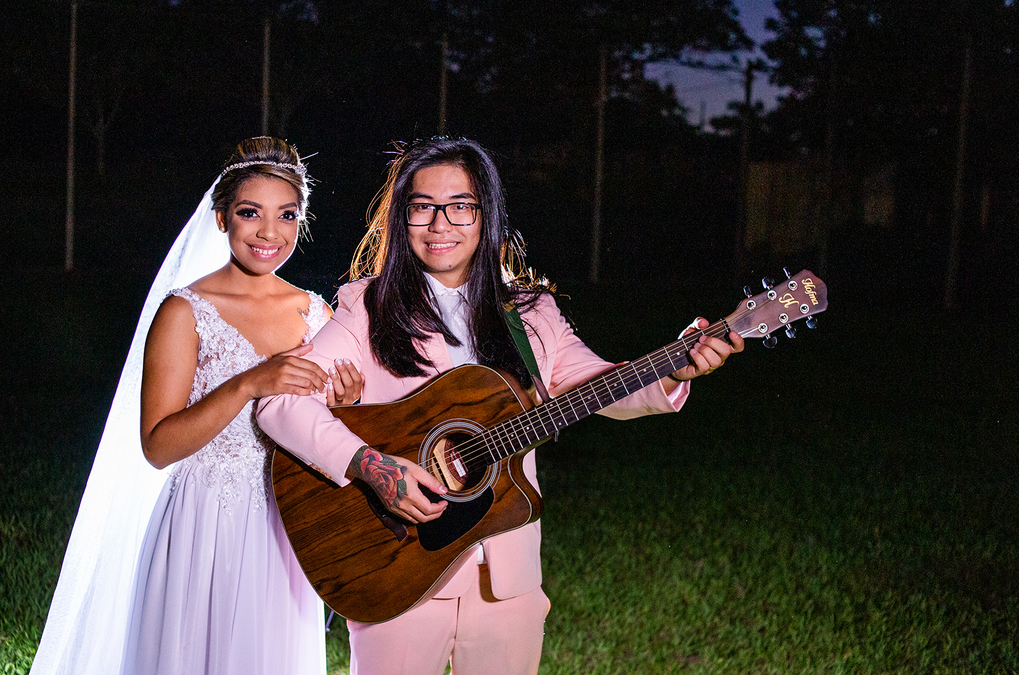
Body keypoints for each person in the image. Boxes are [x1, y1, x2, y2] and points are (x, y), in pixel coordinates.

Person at [257, 136, 743, 675]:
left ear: (486, 215)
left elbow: (599, 384)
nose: (440, 224)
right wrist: (372, 466)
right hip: (399, 566)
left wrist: (672, 369)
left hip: (507, 579)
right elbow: (279, 400)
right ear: (401, 218)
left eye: (460, 206)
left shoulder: (531, 314)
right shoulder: (368, 309)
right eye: (422, 207)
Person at [30, 137, 361, 675]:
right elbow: (158, 446)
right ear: (221, 218)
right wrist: (245, 385)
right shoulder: (185, 312)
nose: (269, 232)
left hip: (286, 526)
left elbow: (322, 432)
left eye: (286, 215)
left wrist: (343, 405)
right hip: (204, 524)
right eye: (250, 213)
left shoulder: (315, 314)